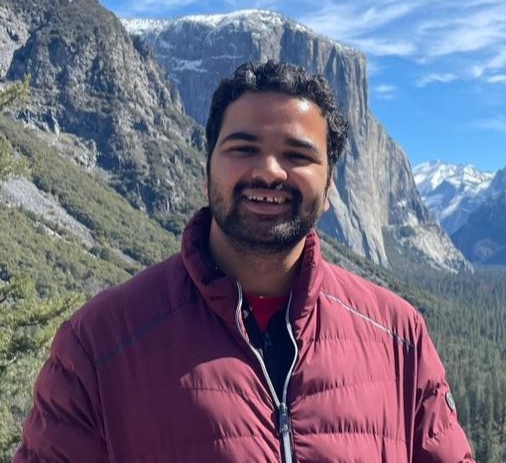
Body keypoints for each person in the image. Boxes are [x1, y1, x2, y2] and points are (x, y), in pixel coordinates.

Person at [13, 60, 474, 462]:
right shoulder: (98, 344)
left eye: (297, 154)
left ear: (331, 187)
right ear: (206, 171)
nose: (269, 170)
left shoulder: (399, 338)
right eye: (243, 148)